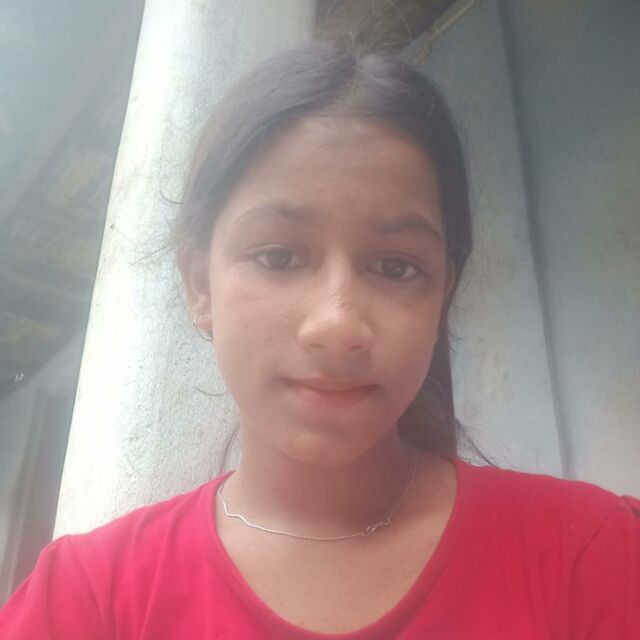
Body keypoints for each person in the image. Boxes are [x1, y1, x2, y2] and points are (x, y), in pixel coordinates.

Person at [1, 43, 638, 640]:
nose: (337, 324)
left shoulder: (594, 558)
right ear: (200, 285)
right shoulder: (87, 601)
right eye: (278, 256)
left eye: (395, 267)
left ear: (443, 292)